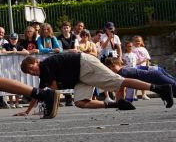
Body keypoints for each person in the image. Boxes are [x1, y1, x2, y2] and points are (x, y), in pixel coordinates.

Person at [19, 52, 173, 112]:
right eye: (29, 72)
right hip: (80, 77)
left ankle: (160, 89)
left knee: (120, 81)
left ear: (36, 61)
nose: (32, 72)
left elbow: (49, 89)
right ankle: (117, 104)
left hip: (85, 64)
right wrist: (27, 111)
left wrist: (51, 90)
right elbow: (37, 94)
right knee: (80, 102)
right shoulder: (44, 73)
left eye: (30, 68)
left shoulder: (45, 65)